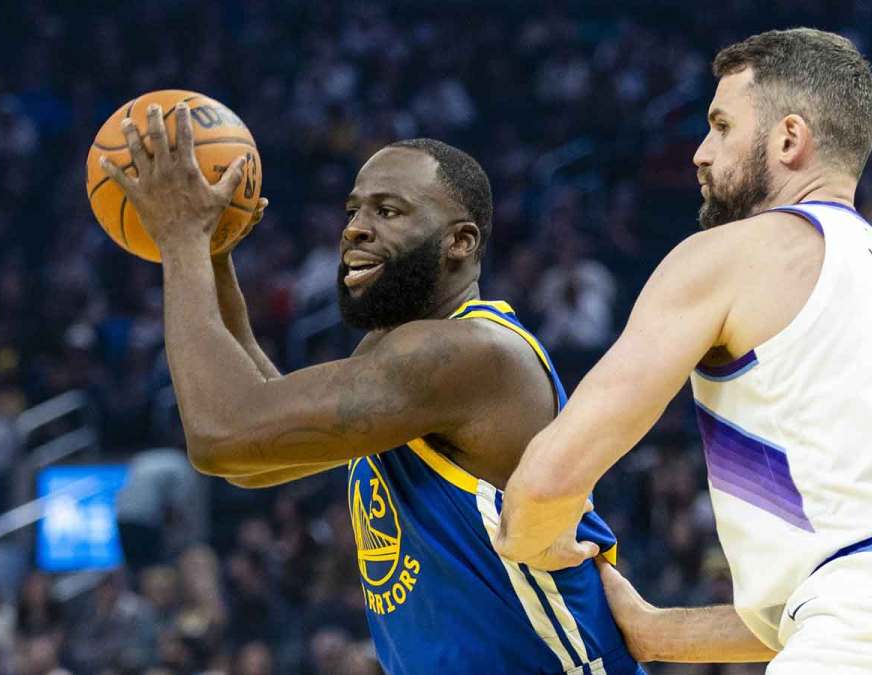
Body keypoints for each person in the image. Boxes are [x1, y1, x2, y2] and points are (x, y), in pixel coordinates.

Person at [492, 28, 872, 673]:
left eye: (721, 126)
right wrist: (656, 632)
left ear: (789, 139)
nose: (700, 153)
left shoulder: (737, 255)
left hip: (865, 644)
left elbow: (548, 483)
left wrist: (523, 540)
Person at [98, 105, 644, 674]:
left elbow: (220, 433)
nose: (354, 228)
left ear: (460, 241)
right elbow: (251, 458)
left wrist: (181, 239)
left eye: (388, 211)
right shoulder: (398, 353)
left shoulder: (468, 354)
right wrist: (212, 252)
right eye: (353, 210)